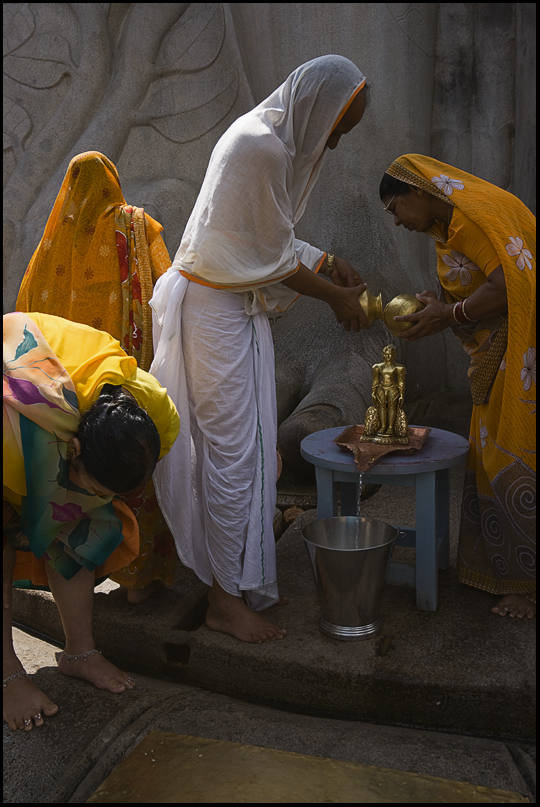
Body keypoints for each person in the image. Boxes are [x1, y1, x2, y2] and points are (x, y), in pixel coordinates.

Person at [150, 55, 370, 644]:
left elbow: (256, 236)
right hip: (216, 314)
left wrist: (322, 260)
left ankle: (234, 582)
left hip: (226, 311)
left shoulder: (262, 136)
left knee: (249, 453)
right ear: (316, 110)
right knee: (235, 457)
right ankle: (224, 600)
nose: (337, 144)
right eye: (337, 131)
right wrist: (333, 297)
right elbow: (269, 259)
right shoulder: (262, 147)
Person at [3, 312, 179, 731]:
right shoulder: (13, 432)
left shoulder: (155, 413)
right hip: (16, 395)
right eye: (97, 487)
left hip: (50, 420)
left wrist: (87, 497)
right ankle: (7, 675)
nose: (104, 501)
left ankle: (79, 652)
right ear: (73, 447)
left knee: (81, 523)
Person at [379, 153, 536, 618]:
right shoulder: (452, 228)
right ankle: (505, 571)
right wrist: (439, 304)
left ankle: (524, 586)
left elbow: (509, 283)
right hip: (502, 354)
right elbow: (479, 289)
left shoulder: (469, 221)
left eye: (395, 210)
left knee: (512, 452)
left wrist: (449, 314)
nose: (397, 222)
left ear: (418, 191)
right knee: (490, 456)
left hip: (519, 354)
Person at [16, 152, 177, 603]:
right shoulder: (133, 225)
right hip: (122, 377)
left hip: (61, 396)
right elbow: (165, 289)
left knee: (71, 489)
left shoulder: (50, 245)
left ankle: (77, 577)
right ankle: (138, 582)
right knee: (130, 470)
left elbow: (27, 315)